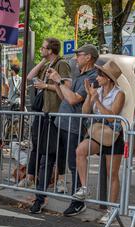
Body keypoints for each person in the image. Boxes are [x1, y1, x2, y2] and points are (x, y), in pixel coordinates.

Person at [29, 44, 98, 216]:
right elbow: (64, 98)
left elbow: (74, 100)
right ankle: (39, 198)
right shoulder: (79, 75)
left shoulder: (93, 76)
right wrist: (56, 83)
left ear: (88, 57)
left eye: (79, 55)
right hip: (59, 122)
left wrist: (59, 80)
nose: (76, 58)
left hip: (74, 126)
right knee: (46, 159)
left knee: (73, 164)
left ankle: (77, 202)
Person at [74, 60, 125, 223]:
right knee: (80, 151)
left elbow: (111, 116)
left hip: (113, 134)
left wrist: (96, 100)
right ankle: (84, 188)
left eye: (101, 74)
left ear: (109, 78)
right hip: (96, 131)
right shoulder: (97, 90)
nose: (97, 76)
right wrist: (90, 96)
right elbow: (85, 112)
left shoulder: (119, 94)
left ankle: (112, 209)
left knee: (112, 174)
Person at [22, 38, 71, 195]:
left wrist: (46, 86)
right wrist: (43, 61)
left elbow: (66, 86)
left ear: (50, 50)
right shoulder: (47, 65)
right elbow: (30, 76)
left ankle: (61, 180)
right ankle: (30, 177)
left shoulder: (61, 64)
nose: (40, 50)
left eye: (43, 48)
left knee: (58, 148)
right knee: (38, 144)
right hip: (43, 110)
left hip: (55, 111)